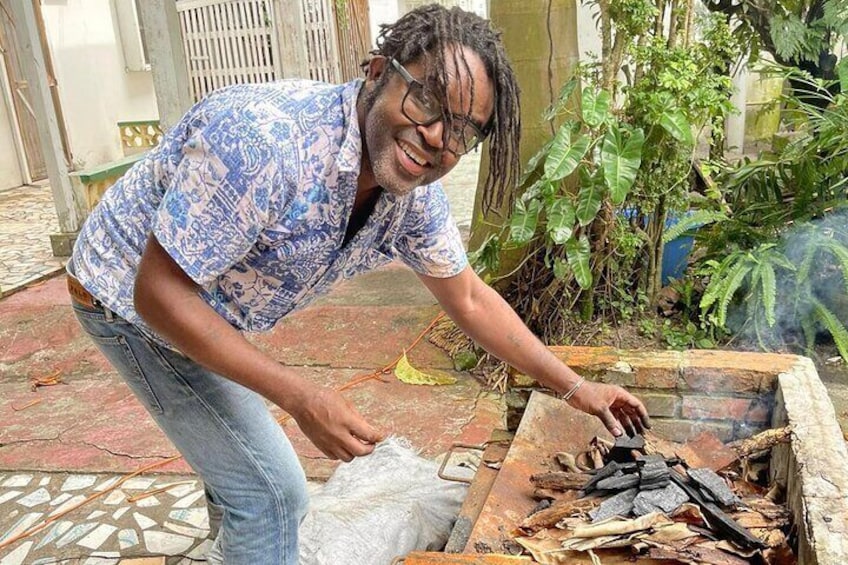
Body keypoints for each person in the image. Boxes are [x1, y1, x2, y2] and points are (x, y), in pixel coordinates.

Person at [67, 5, 650, 564]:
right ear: (377, 72)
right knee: (272, 493)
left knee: (242, 473)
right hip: (126, 296)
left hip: (204, 300)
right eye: (427, 100)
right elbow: (159, 294)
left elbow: (470, 298)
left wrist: (577, 389)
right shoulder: (266, 143)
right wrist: (301, 395)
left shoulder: (412, 198)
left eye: (463, 131)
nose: (436, 140)